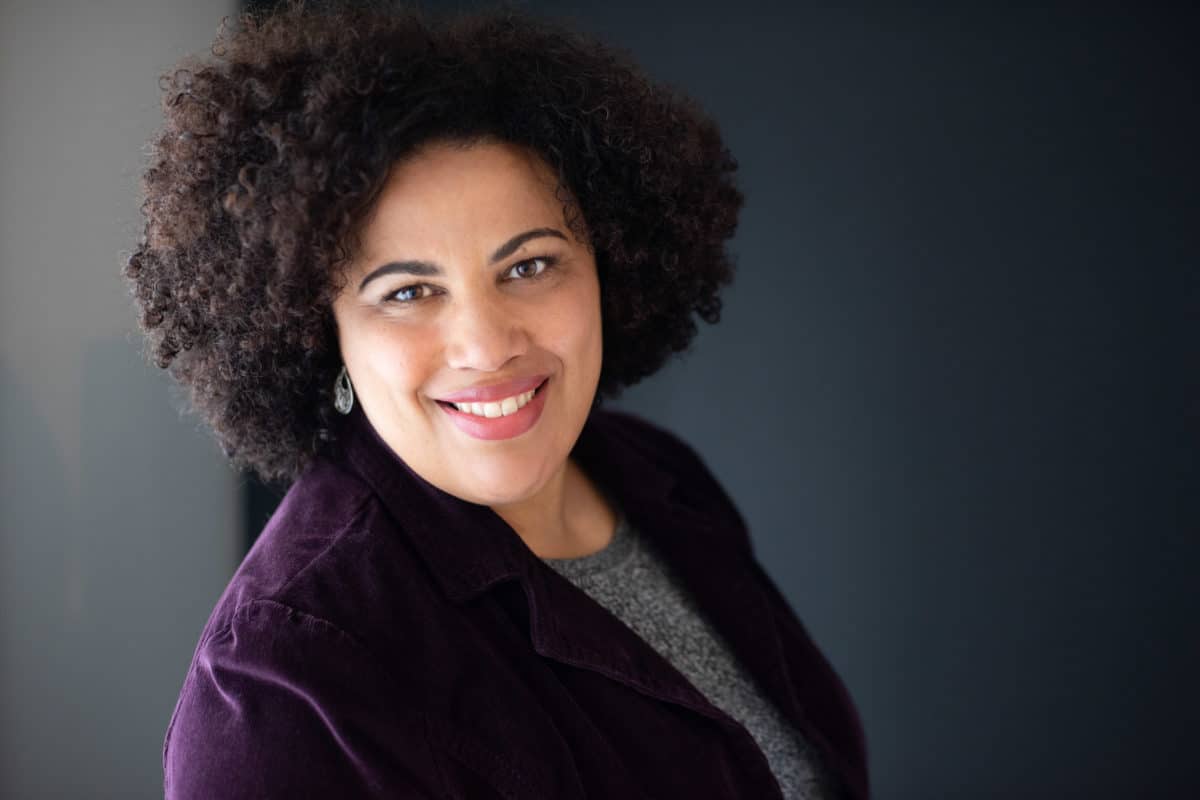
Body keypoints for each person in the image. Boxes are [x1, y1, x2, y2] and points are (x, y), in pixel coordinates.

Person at [124, 1, 869, 798]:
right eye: (408, 291)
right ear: (317, 329)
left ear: (607, 264)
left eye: (529, 267)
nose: (486, 345)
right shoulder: (282, 688)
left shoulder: (660, 478)